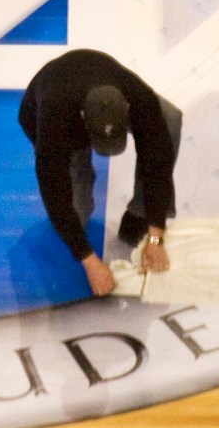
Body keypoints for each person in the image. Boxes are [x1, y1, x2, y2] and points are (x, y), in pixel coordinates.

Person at [18, 48, 182, 296]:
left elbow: (156, 162)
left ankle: (139, 212)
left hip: (95, 87)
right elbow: (53, 190)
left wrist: (155, 236)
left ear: (127, 110)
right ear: (83, 118)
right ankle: (80, 166)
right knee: (76, 212)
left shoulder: (139, 99)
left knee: (168, 119)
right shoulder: (55, 118)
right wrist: (89, 259)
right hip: (45, 112)